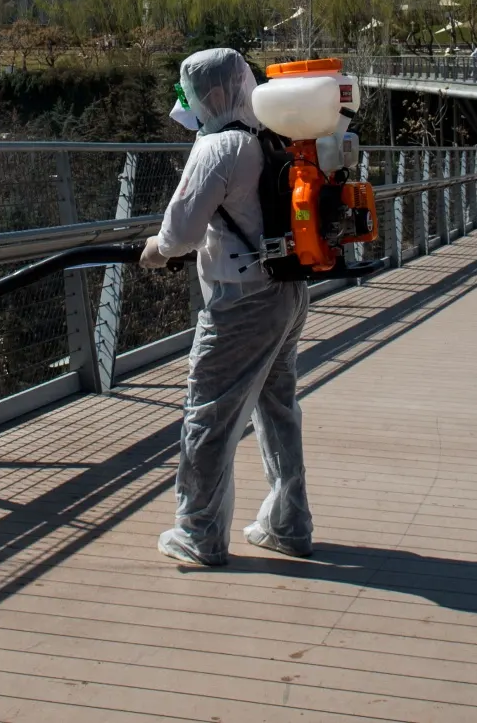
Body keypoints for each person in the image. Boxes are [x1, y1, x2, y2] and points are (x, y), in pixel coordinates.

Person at [141, 49, 312, 566]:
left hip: (242, 304)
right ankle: (288, 522)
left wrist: (156, 250)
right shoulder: (270, 137)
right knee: (277, 409)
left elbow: (179, 233)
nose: (187, 103)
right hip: (287, 290)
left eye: (189, 94)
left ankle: (200, 534)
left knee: (208, 414)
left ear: (210, 94)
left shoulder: (217, 148)